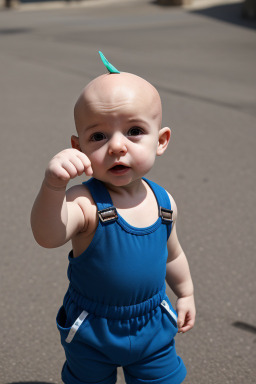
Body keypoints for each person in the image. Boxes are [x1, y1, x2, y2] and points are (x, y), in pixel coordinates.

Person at [31, 55, 196, 384]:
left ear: (160, 140)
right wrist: (53, 186)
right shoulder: (85, 202)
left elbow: (172, 253)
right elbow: (48, 235)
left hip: (153, 324)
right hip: (93, 328)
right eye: (98, 137)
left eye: (134, 131)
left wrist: (186, 293)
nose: (117, 146)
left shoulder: (163, 202)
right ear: (78, 147)